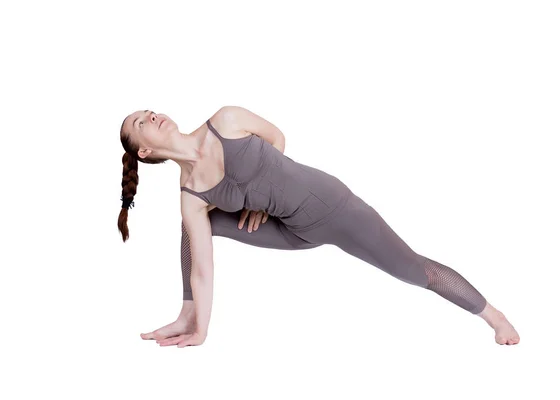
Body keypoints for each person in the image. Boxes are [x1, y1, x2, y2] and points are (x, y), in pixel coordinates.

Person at [118, 106, 520, 347]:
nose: (152, 114)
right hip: (293, 233)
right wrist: (202, 330)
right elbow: (202, 270)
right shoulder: (190, 194)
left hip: (334, 210)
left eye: (149, 110)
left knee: (414, 271)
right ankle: (188, 317)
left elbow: (276, 138)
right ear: (146, 150)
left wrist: (263, 200)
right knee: (193, 228)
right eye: (141, 122)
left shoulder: (225, 120)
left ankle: (493, 316)